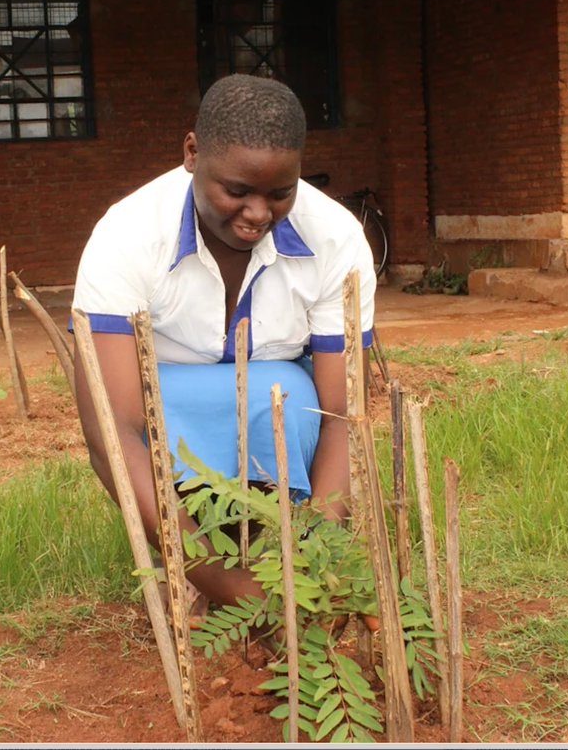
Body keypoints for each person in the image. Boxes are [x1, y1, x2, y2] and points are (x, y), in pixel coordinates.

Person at [72, 74, 377, 610]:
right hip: (163, 418)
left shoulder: (336, 238)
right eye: (237, 191)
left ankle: (276, 548)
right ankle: (195, 562)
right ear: (192, 153)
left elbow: (343, 415)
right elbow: (111, 428)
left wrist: (314, 558)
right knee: (136, 411)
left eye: (280, 193)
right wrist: (217, 580)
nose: (258, 214)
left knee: (288, 392)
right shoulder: (127, 234)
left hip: (280, 421)